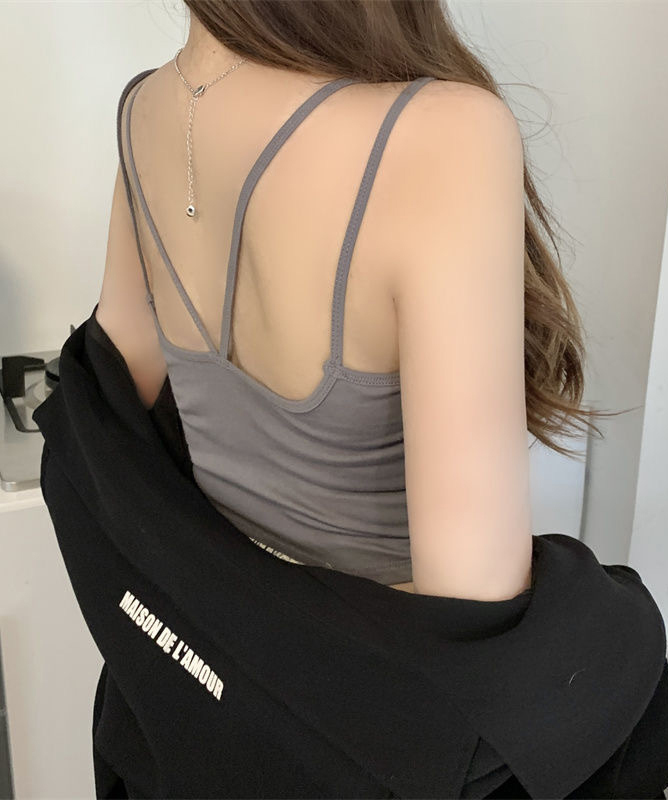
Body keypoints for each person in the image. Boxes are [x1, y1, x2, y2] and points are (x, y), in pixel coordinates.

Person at [89, 1, 632, 796]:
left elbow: (113, 414)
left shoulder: (144, 109)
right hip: (362, 742)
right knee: (625, 650)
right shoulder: (443, 134)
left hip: (202, 714)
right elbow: (473, 602)